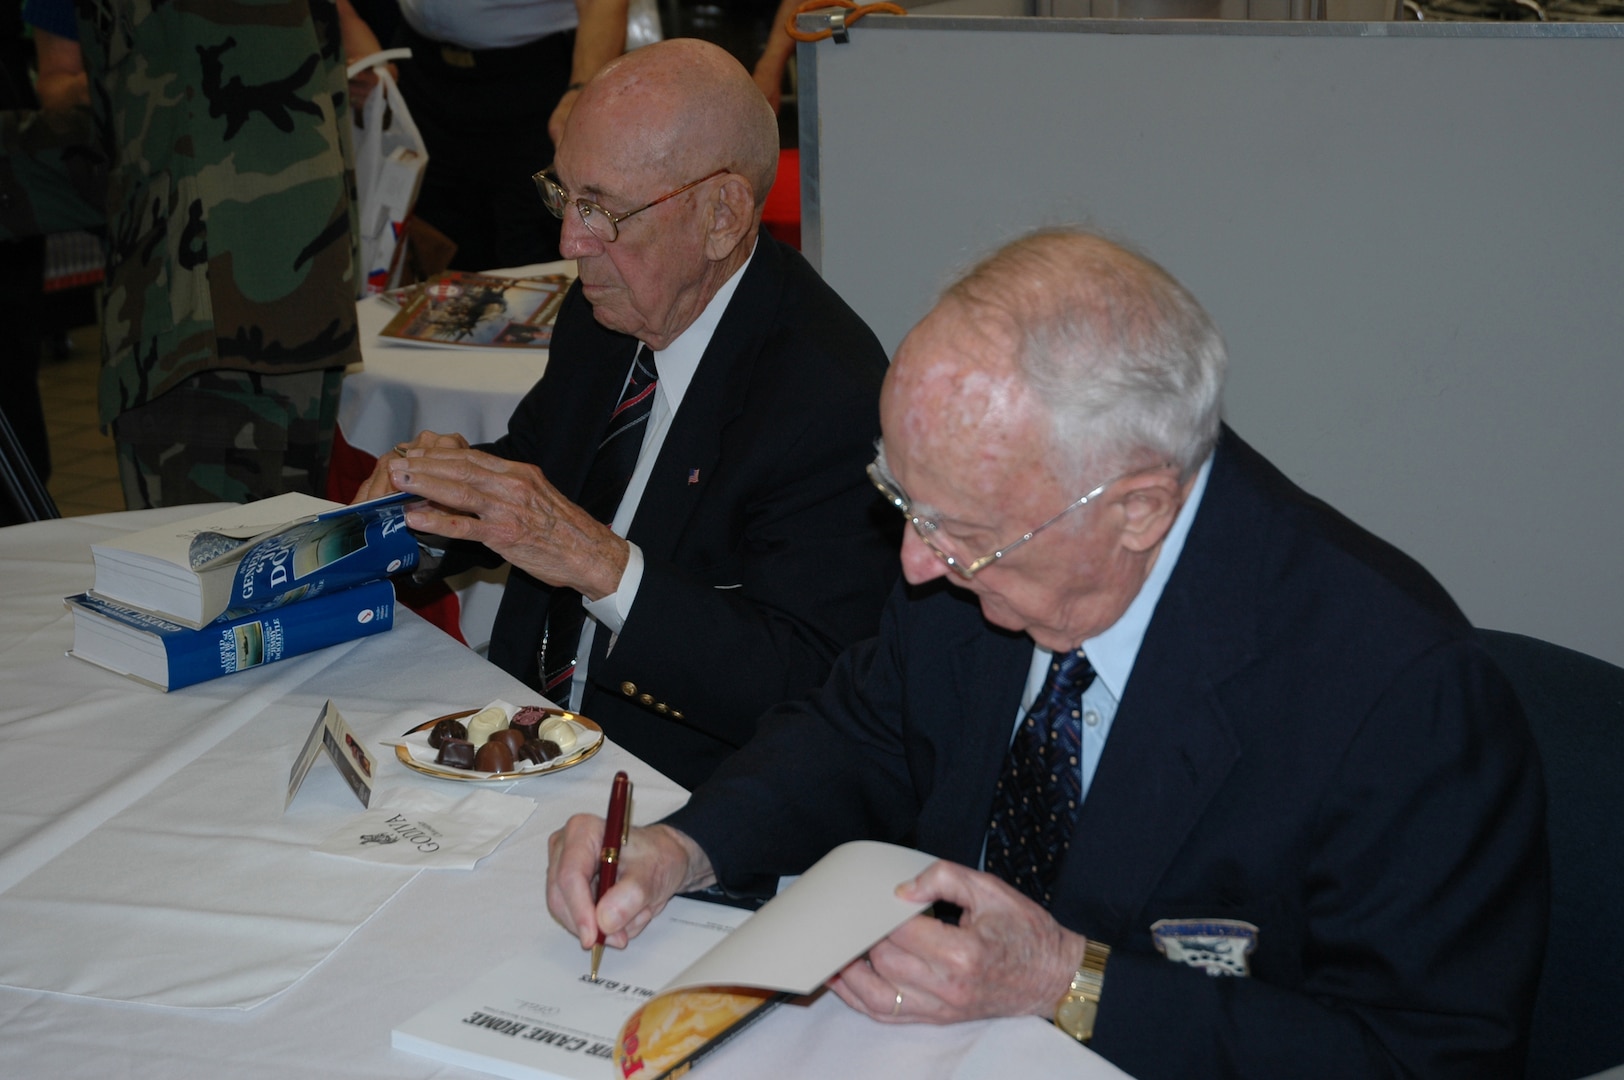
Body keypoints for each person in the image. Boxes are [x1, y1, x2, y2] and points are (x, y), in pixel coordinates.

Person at [545, 229, 1548, 1077]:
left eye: (958, 530)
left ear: (1138, 508)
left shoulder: (1392, 694)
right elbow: (854, 733)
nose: (915, 562)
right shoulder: (982, 552)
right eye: (899, 498)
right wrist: (682, 846)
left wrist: (1070, 982)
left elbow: (1427, 1056)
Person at [356, 39, 897, 791]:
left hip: (672, 798)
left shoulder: (829, 396)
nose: (571, 242)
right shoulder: (605, 317)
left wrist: (598, 563)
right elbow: (533, 465)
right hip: (513, 744)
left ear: (723, 214)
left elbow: (808, 685)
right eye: (564, 195)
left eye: (602, 209)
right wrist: (430, 502)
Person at [14, 0, 381, 509]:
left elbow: (126, 125)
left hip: (203, 309)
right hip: (284, 299)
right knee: (276, 559)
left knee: (208, 568)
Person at [389, 0, 629, 271]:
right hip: (421, 69)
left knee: (534, 252)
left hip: (532, 77)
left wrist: (581, 88)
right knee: (441, 249)